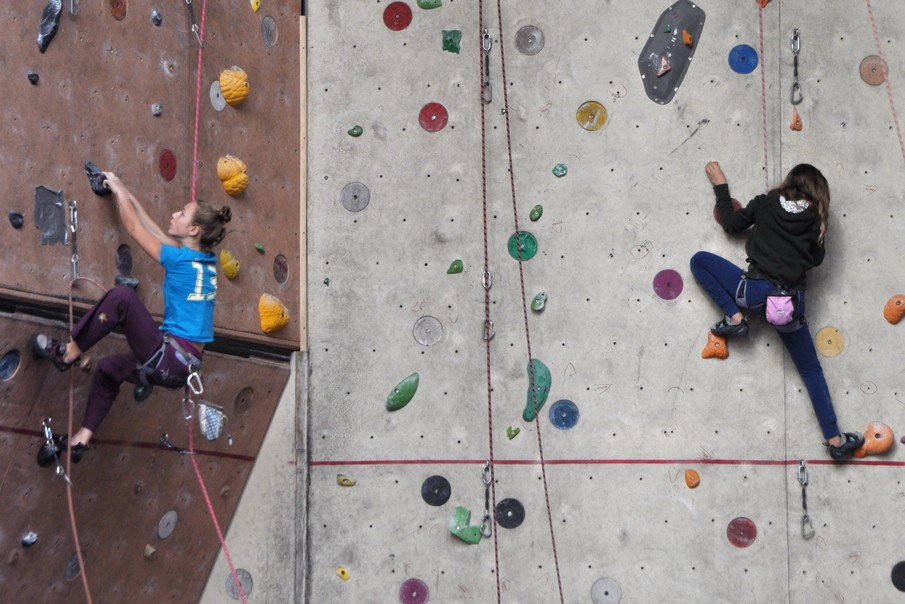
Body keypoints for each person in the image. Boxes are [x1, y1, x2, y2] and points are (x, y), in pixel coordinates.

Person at [32, 172, 231, 465]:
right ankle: (81, 440)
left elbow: (135, 229)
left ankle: (67, 353)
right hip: (179, 369)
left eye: (182, 213)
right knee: (108, 370)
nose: (174, 214)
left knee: (122, 299)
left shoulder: (180, 260)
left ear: (194, 230)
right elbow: (157, 232)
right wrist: (125, 192)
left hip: (169, 356)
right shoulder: (204, 261)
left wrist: (116, 190)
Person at [690, 162, 863, 460]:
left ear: (789, 182)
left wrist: (720, 186)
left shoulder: (766, 202)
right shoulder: (816, 219)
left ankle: (735, 317)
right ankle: (835, 441)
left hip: (753, 293)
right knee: (810, 370)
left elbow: (730, 224)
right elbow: (815, 260)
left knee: (699, 261)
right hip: (787, 306)